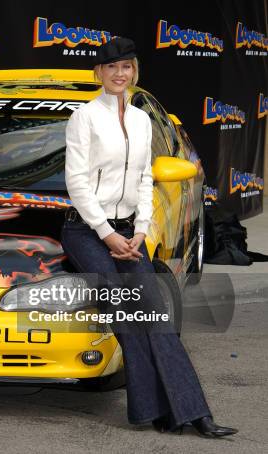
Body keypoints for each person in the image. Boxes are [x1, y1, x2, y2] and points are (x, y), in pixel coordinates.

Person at [61, 37, 237, 437]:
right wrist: (106, 235)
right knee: (127, 316)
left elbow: (144, 178)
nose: (119, 74)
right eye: (111, 67)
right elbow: (77, 184)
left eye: (126, 67)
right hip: (86, 230)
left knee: (156, 316)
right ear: (99, 73)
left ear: (134, 71)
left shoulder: (142, 121)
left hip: (128, 232)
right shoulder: (83, 118)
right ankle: (156, 411)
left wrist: (140, 231)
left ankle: (195, 414)